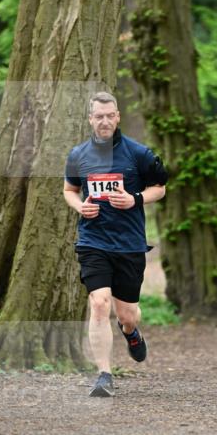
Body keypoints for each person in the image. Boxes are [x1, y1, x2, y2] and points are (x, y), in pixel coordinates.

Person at [63, 92, 168, 397]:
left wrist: (135, 199)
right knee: (98, 303)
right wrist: (80, 206)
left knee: (127, 314)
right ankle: (104, 375)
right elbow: (69, 189)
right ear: (91, 119)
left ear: (118, 116)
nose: (105, 121)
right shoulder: (78, 154)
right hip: (93, 241)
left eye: (110, 115)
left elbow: (159, 188)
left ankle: (131, 332)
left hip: (129, 244)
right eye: (99, 116)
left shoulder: (139, 154)